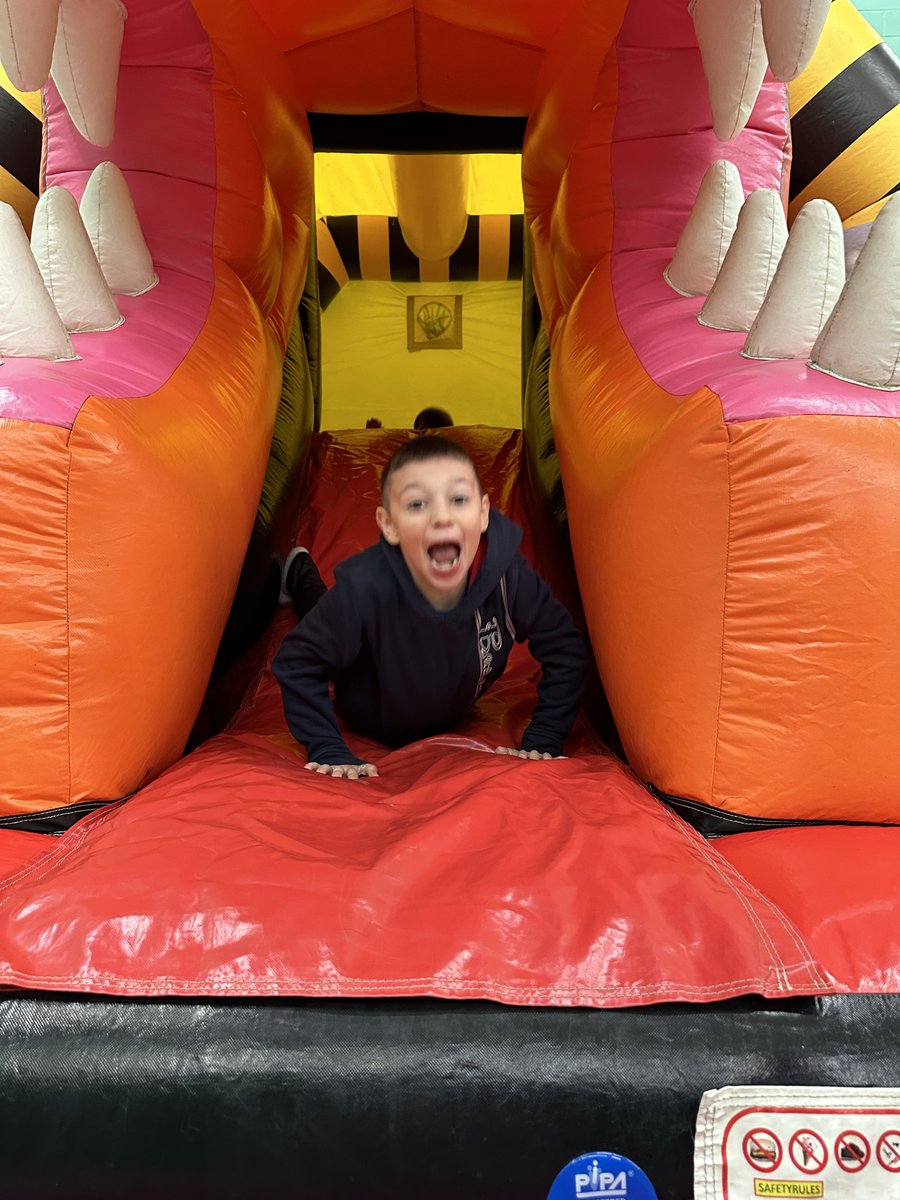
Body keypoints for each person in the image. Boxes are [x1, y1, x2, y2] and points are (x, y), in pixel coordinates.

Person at [272, 436, 588, 780]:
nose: (441, 516)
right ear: (390, 525)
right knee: (328, 616)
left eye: (458, 500)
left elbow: (565, 647)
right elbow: (298, 660)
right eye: (417, 504)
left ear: (483, 514)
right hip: (370, 704)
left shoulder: (507, 579)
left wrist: (544, 737)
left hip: (451, 701)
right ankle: (300, 572)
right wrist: (327, 746)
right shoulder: (365, 590)